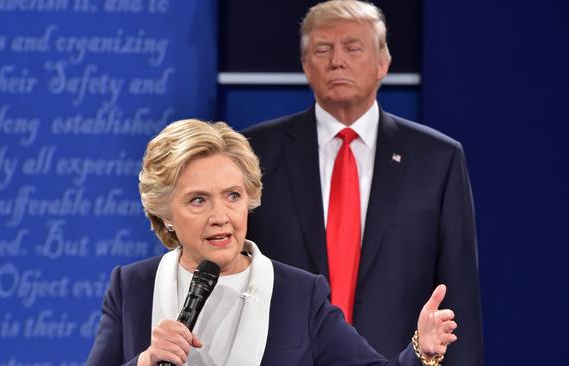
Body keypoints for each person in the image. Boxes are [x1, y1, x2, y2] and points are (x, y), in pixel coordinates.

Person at [86, 119, 458, 366]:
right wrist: (145, 361)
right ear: (165, 212)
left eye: (232, 195)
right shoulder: (131, 288)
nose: (221, 215)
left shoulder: (299, 293)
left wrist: (420, 352)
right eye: (198, 200)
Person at [242, 1, 483, 366]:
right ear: (307, 66)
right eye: (322, 50)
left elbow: (458, 292)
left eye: (353, 48)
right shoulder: (255, 152)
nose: (337, 61)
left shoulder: (438, 159)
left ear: (383, 63)